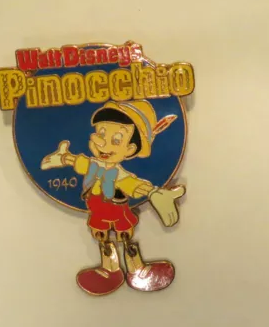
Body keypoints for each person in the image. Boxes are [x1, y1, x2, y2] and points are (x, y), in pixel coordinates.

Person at [41, 100, 185, 295]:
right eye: (101, 133)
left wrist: (153, 193)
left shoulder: (119, 175)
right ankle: (109, 271)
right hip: (97, 210)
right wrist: (63, 157)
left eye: (116, 140)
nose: (102, 142)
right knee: (103, 239)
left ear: (130, 149)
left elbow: (134, 185)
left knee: (125, 239)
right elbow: (79, 162)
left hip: (117, 211)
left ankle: (137, 269)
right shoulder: (93, 165)